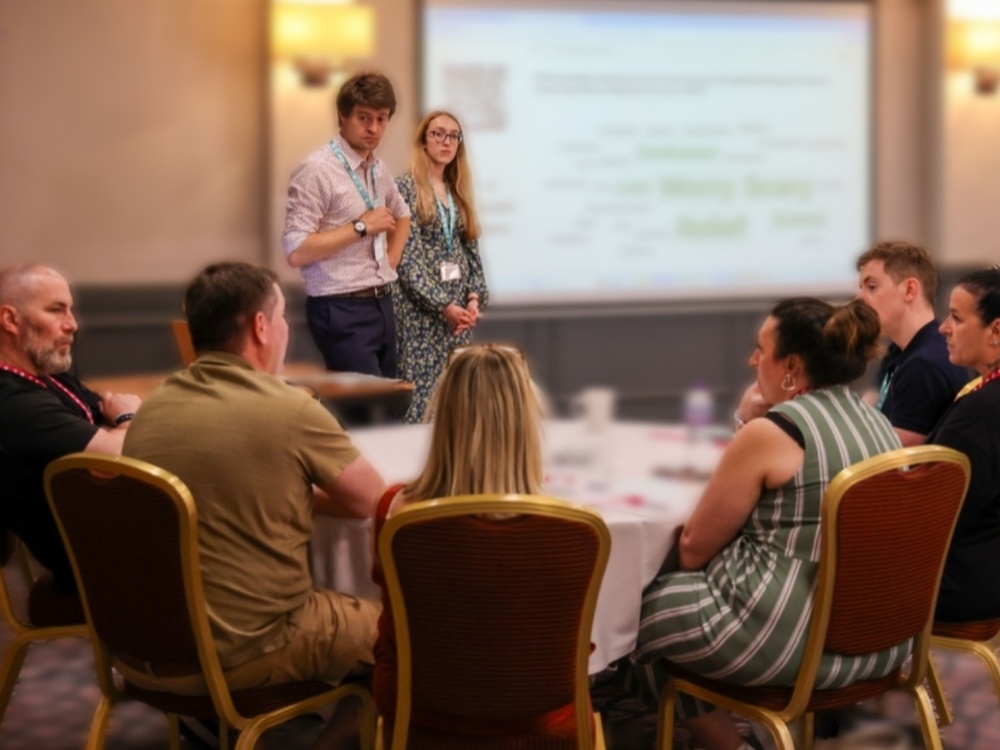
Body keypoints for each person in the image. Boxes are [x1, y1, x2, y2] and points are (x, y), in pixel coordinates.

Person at [628, 298, 905, 750]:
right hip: (876, 639)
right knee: (668, 619)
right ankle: (751, 734)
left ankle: (734, 744)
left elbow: (695, 547)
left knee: (629, 616)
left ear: (791, 366)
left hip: (786, 639)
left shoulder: (776, 430)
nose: (752, 360)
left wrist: (746, 423)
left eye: (761, 349)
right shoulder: (879, 425)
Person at [122, 262, 386, 701]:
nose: (286, 329)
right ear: (261, 326)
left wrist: (280, 489)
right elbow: (371, 500)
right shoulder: (289, 409)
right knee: (400, 631)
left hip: (148, 647)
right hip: (248, 650)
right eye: (282, 317)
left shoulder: (154, 406)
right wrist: (301, 493)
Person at [370, 344, 593, 742]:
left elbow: (388, 618)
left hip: (419, 713)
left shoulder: (398, 513)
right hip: (543, 720)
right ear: (528, 421)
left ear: (444, 417)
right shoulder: (573, 528)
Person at [0, 264, 141, 592]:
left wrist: (123, 422)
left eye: (71, 310)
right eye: (56, 310)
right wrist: (127, 420)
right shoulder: (10, 399)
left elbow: (115, 418)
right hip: (98, 565)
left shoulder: (49, 374)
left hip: (121, 532)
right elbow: (113, 456)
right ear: (9, 320)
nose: (73, 324)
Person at [282, 72, 411, 378]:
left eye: (381, 119)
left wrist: (390, 261)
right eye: (364, 118)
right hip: (339, 306)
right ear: (343, 115)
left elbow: (402, 214)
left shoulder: (378, 168)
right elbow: (296, 250)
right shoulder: (317, 170)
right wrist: (360, 227)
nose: (373, 128)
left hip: (382, 302)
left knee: (389, 406)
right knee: (363, 413)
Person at [394, 111, 489, 423]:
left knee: (454, 408)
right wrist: (444, 305)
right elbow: (407, 263)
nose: (446, 141)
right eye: (438, 134)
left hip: (458, 323)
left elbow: (472, 253)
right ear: (423, 140)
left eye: (453, 135)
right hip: (422, 321)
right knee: (421, 407)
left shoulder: (458, 191)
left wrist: (473, 300)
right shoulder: (405, 189)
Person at [928, 268, 1000, 622]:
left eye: (956, 317)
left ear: (996, 331)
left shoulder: (978, 415)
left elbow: (936, 516)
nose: (944, 327)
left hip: (967, 585)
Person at [856, 241, 969, 445]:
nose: (859, 298)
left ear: (909, 289)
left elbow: (897, 463)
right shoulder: (899, 351)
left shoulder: (924, 364)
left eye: (871, 287)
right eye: (861, 288)